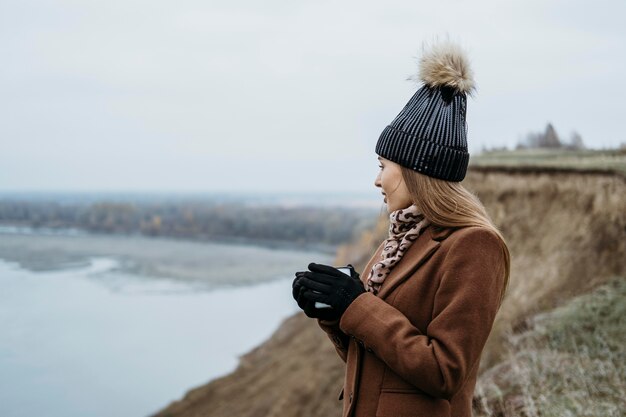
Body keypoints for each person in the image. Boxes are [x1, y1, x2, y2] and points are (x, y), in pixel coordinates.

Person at [292, 41, 510, 417]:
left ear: (415, 170)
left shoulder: (475, 245)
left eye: (383, 166)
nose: (377, 180)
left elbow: (444, 371)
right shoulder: (401, 240)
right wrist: (331, 313)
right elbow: (374, 361)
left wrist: (356, 305)